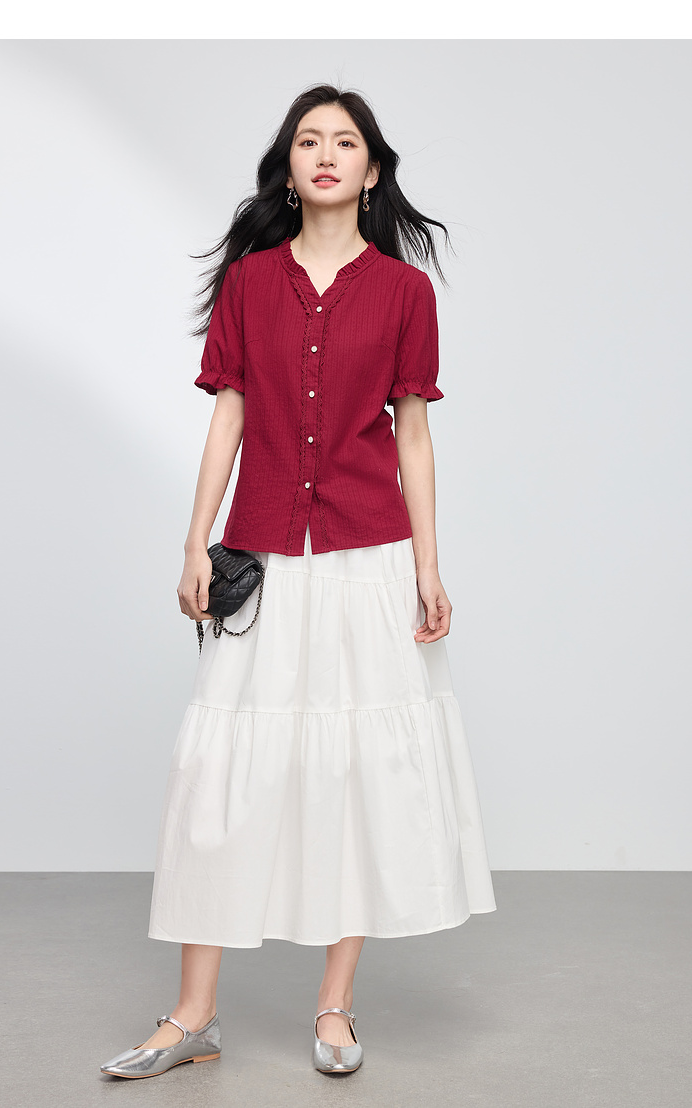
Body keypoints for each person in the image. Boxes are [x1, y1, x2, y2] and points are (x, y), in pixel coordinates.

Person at [100, 82, 496, 1081]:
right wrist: (194, 542)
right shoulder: (248, 283)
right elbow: (228, 415)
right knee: (221, 777)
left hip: (368, 555)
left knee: (353, 770)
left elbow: (413, 436)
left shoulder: (406, 294)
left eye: (345, 142)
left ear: (372, 170)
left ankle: (335, 1004)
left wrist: (429, 567)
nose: (325, 154)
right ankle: (193, 1014)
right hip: (265, 552)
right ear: (288, 168)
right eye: (308, 141)